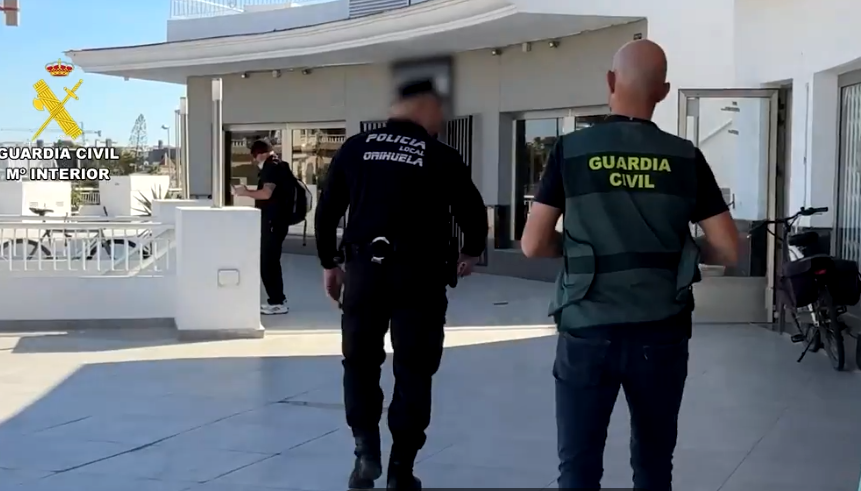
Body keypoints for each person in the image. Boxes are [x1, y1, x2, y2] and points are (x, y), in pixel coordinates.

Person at [520, 40, 740, 490]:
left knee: (578, 468)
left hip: (587, 328)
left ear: (610, 81)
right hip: (661, 331)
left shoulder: (572, 150)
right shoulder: (685, 156)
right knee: (655, 464)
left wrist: (580, 252)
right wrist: (682, 255)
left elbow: (533, 244)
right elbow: (729, 249)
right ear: (664, 91)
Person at [314, 79, 488, 490]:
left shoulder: (356, 147)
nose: (442, 120)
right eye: (439, 110)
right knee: (414, 370)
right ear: (423, 106)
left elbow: (327, 210)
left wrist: (329, 263)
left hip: (365, 270)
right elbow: (472, 212)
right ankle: (401, 469)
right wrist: (470, 252)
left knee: (360, 362)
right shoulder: (441, 155)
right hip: (420, 277)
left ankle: (365, 452)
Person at [233, 140, 294, 315]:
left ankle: (277, 302)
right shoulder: (281, 165)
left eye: (254, 156)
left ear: (260, 154)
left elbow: (266, 193)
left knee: (268, 262)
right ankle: (278, 299)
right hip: (278, 221)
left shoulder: (271, 167)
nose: (254, 161)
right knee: (271, 261)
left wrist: (245, 192)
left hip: (273, 221)